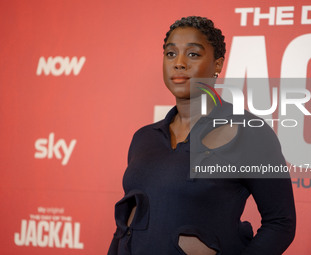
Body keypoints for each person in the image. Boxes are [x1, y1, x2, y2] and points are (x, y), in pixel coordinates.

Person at [108, 16, 296, 255]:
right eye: (171, 54)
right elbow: (127, 223)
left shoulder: (249, 132)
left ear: (218, 65)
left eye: (193, 54)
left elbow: (281, 223)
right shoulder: (144, 137)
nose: (179, 63)